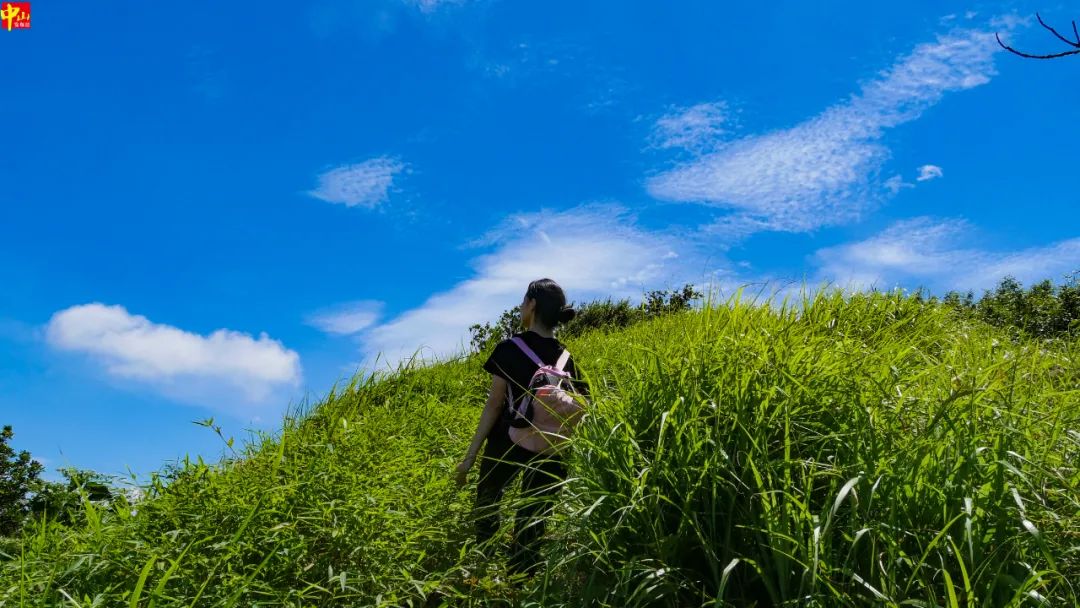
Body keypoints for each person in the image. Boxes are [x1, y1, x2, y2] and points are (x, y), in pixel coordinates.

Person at [455, 278, 589, 576]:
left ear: (531, 305)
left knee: (489, 499)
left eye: (522, 301)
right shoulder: (567, 358)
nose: (520, 306)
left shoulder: (509, 349)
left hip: (509, 440)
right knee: (534, 516)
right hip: (554, 446)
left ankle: (482, 567)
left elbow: (493, 405)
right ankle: (522, 579)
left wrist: (470, 456)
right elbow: (584, 404)